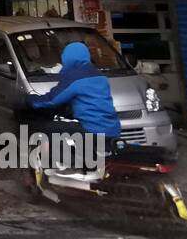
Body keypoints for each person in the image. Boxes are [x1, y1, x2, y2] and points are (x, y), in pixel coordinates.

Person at [28, 40, 121, 172]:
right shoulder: (99, 75)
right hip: (113, 129)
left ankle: (59, 169)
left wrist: (30, 100)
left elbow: (51, 100)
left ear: (68, 58)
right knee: (68, 128)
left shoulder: (74, 76)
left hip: (92, 130)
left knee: (44, 129)